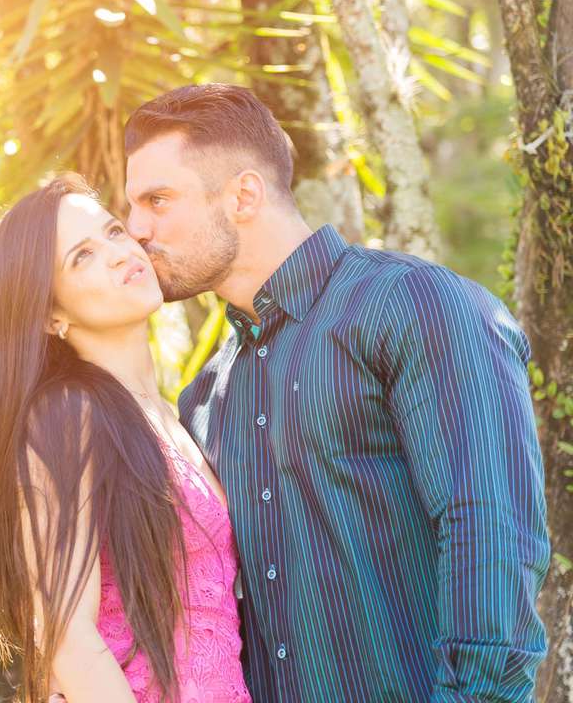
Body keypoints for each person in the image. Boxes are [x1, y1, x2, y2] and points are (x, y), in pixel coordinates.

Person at [122, 83, 550, 701]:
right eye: (133, 205)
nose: (136, 227)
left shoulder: (417, 306)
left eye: (158, 199)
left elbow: (491, 532)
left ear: (244, 194)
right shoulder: (204, 397)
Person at [0, 174, 251, 702]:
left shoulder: (175, 416)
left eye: (115, 232)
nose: (120, 254)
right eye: (82, 256)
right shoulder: (67, 415)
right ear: (50, 314)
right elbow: (66, 639)